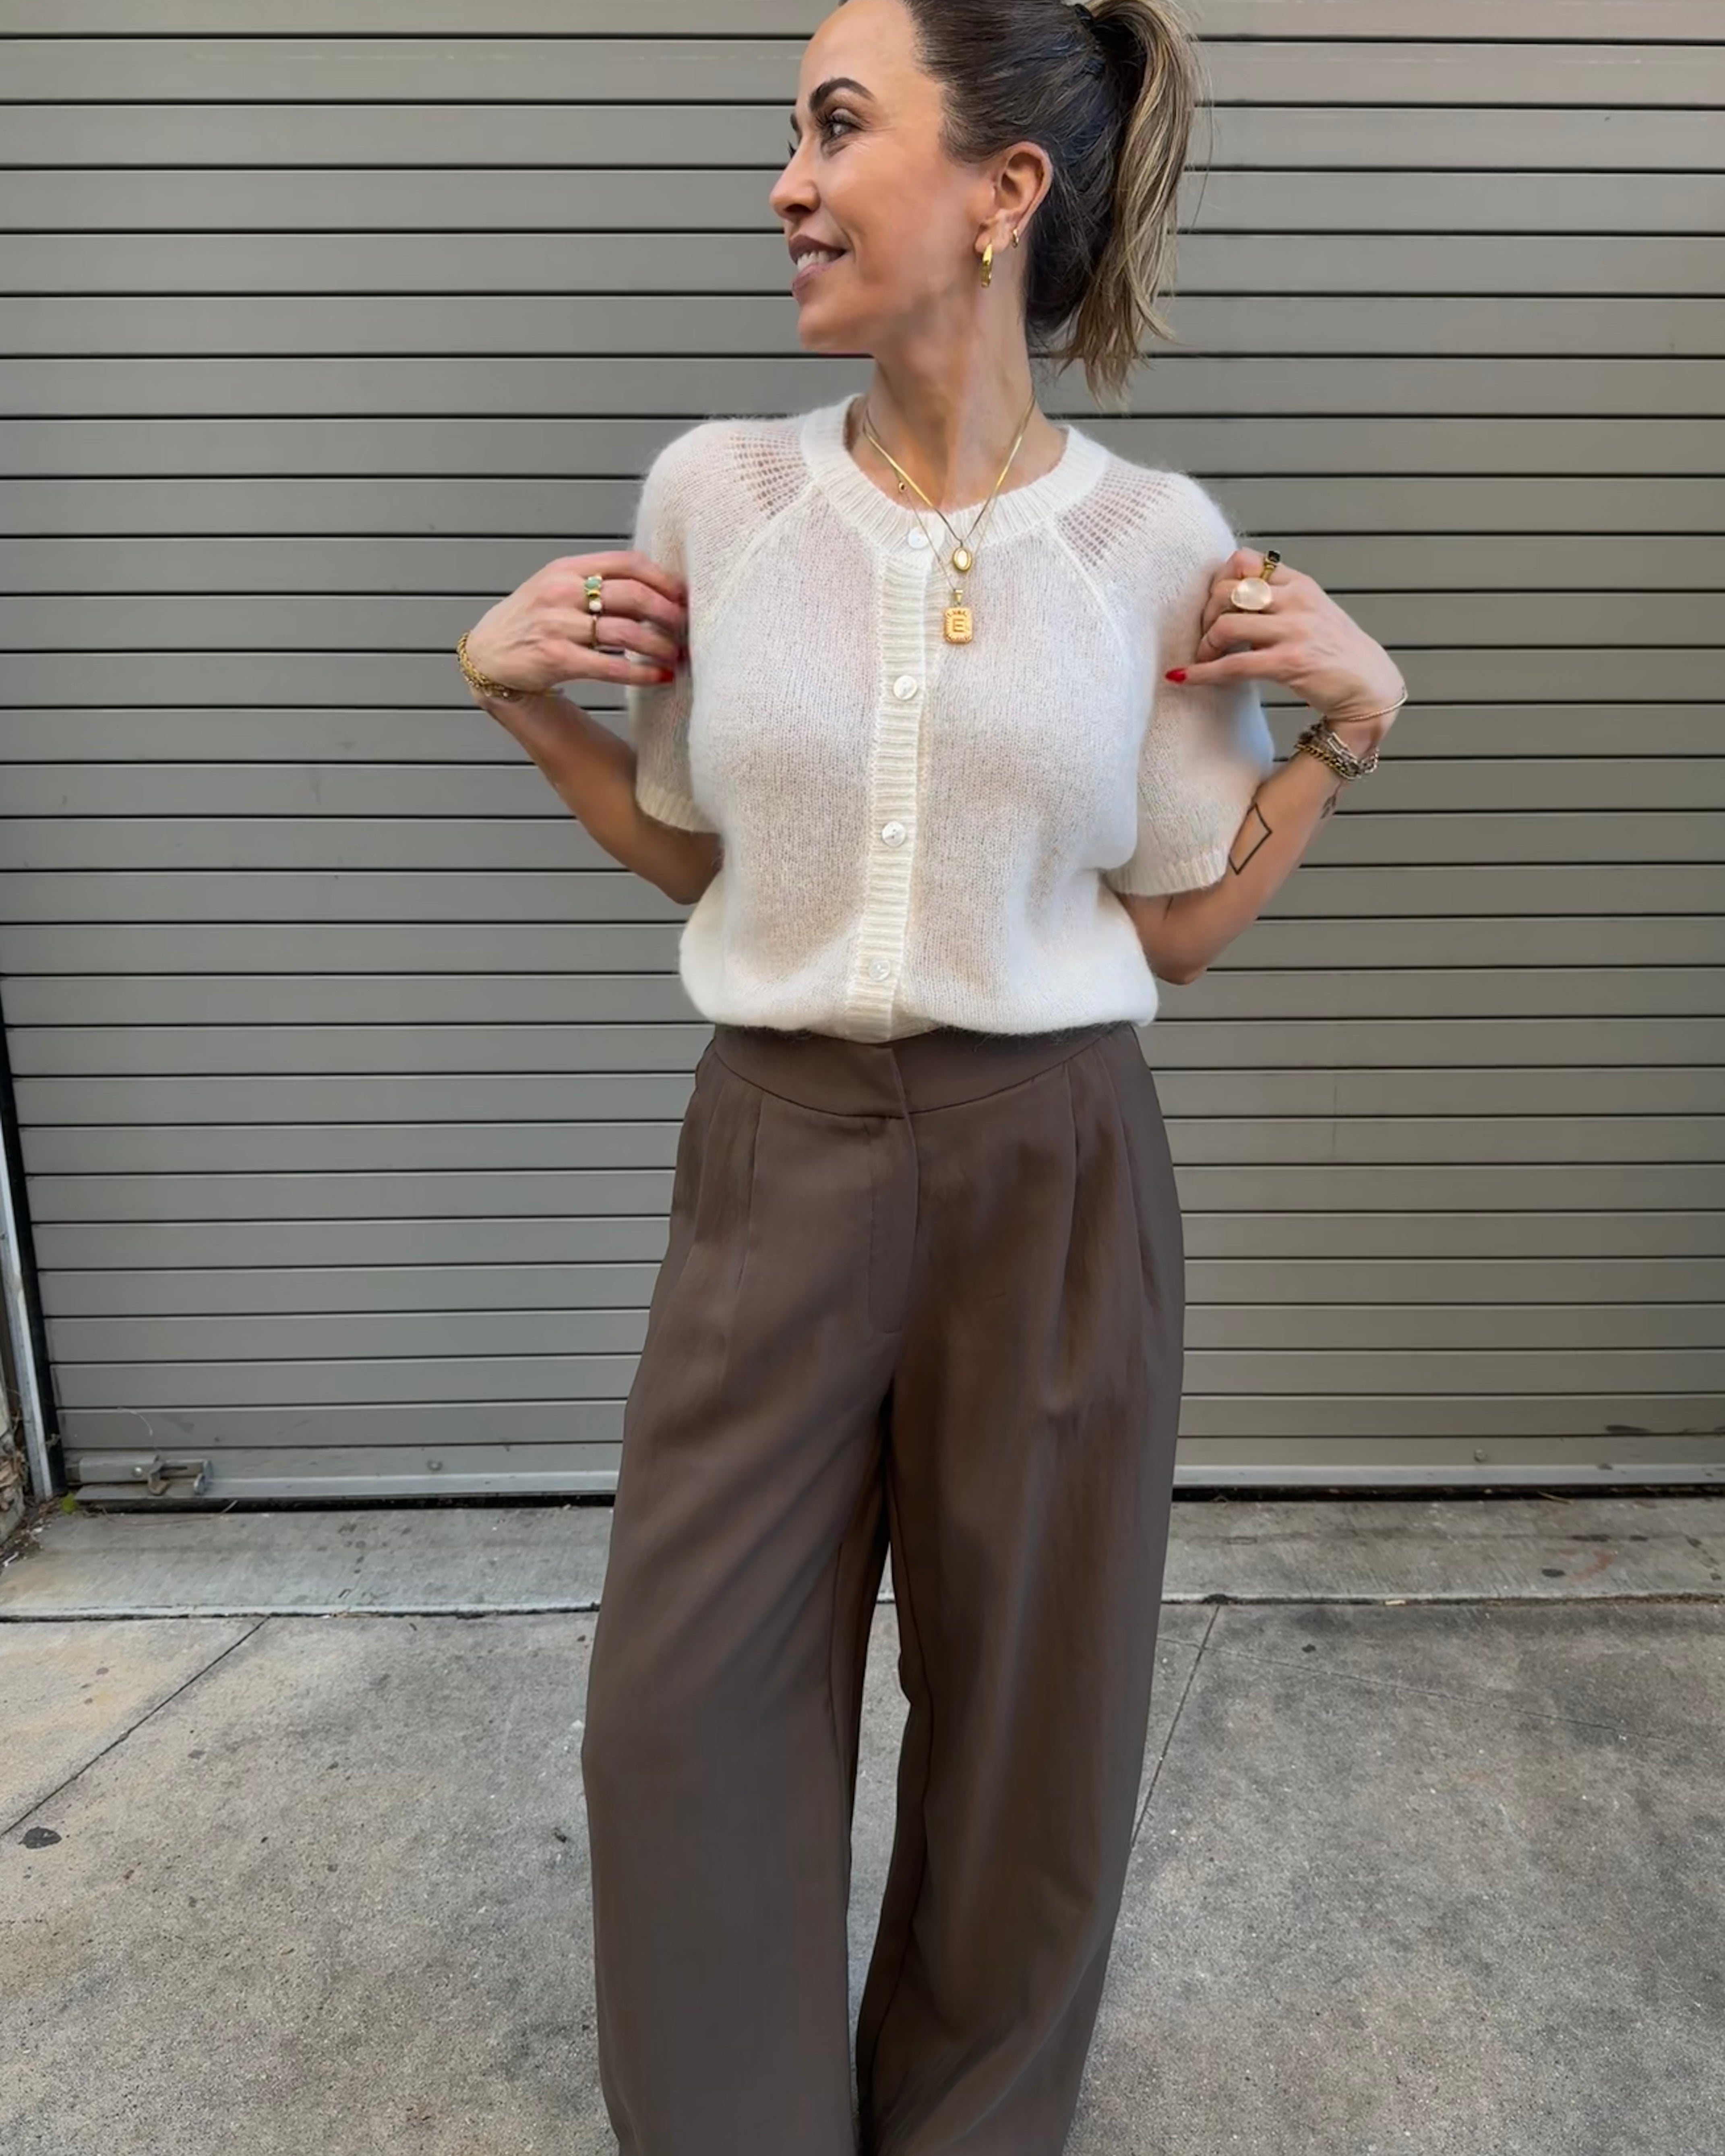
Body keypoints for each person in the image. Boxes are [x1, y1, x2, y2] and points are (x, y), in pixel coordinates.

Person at [455, 2, 1407, 2148]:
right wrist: (516, 696)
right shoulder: (723, 495)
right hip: (775, 1151)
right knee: (678, 1719)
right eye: (791, 135)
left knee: (1032, 1732)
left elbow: (1167, 920)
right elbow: (701, 847)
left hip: (1053, 1163)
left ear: (1003, 195)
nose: (785, 181)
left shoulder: (1159, 544)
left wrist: (1351, 733)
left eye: (836, 128)